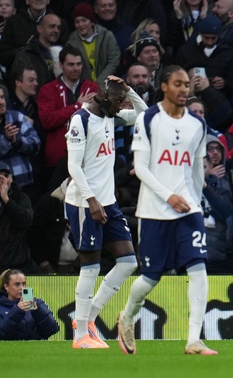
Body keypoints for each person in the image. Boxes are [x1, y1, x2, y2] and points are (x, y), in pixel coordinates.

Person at [117, 65, 217, 356]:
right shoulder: (148, 119)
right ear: (164, 86)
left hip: (187, 210)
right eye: (178, 84)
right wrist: (168, 196)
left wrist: (195, 200)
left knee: (198, 268)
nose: (184, 89)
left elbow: (196, 168)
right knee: (150, 277)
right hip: (154, 210)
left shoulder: (197, 124)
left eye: (187, 84)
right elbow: (141, 169)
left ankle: (193, 339)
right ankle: (127, 316)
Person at [65, 76, 146, 349]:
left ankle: (88, 318)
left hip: (108, 202)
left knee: (128, 262)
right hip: (83, 202)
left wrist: (129, 90)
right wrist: (91, 200)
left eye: (123, 101)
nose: (121, 106)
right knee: (91, 266)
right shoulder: (81, 120)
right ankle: (80, 337)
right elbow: (73, 167)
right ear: (102, 96)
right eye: (117, 100)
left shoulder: (112, 117)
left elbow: (145, 115)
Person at [0, 268, 59, 341]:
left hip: (37, 348)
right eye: (17, 284)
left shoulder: (37, 304)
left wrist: (38, 311)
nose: (22, 288)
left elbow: (53, 329)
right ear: (6, 287)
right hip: (11, 348)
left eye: (24, 284)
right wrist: (17, 311)